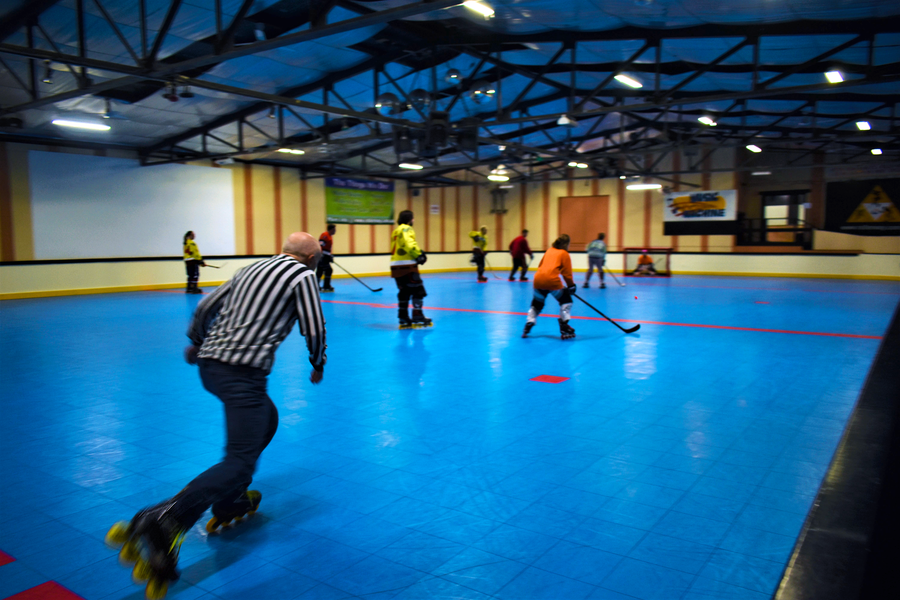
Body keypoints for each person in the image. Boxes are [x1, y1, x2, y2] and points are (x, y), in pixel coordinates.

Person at [105, 232, 327, 600]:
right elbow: (314, 326)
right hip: (243, 375)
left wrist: (196, 341)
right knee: (239, 461)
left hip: (211, 365)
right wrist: (317, 362)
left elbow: (206, 306)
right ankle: (166, 520)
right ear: (309, 258)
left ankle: (230, 499)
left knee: (266, 419)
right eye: (317, 258)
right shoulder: (303, 275)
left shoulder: (250, 268)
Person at [522, 234, 577, 340]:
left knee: (537, 304)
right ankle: (564, 325)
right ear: (566, 244)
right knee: (566, 301)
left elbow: (541, 266)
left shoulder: (549, 250)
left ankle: (529, 322)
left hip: (538, 280)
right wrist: (571, 286)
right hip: (552, 281)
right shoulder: (564, 253)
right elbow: (567, 274)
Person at [390, 210, 432, 329]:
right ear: (409, 219)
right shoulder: (406, 228)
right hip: (407, 265)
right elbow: (408, 242)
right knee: (418, 290)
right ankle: (417, 315)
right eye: (412, 218)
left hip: (395, 265)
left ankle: (403, 317)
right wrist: (419, 254)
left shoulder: (395, 231)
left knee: (404, 291)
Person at [317, 223, 336, 292]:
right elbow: (320, 246)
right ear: (331, 229)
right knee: (326, 270)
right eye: (334, 229)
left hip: (326, 256)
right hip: (322, 256)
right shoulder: (325, 235)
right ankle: (325, 286)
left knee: (321, 271)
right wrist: (322, 255)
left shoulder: (330, 236)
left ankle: (319, 285)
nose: (335, 231)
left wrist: (329, 255)